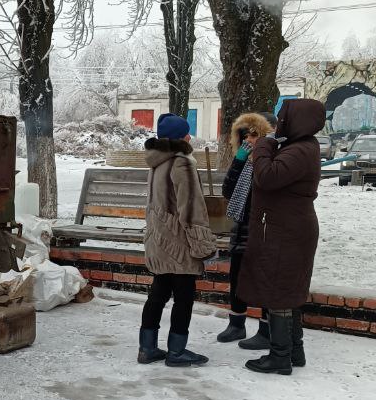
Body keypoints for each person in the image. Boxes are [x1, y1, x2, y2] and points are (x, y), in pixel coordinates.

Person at [237, 98, 327, 375]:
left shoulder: (300, 150)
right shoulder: (301, 147)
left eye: (285, 116)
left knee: (279, 291)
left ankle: (279, 357)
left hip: (286, 230)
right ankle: (293, 352)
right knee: (288, 291)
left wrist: (264, 145)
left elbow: (267, 177)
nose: (281, 121)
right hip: (287, 227)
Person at [137, 113, 216, 367]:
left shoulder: (156, 161)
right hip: (179, 242)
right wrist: (203, 245)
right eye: (186, 133)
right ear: (182, 137)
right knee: (184, 296)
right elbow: (191, 208)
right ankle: (177, 351)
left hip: (158, 238)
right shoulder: (181, 162)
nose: (190, 137)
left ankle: (147, 348)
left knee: (158, 293)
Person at [217, 111, 278, 348]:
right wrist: (239, 160)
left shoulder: (271, 158)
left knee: (263, 278)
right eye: (244, 136)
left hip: (264, 227)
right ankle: (236, 324)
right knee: (238, 276)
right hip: (242, 226)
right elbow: (228, 191)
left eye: (253, 135)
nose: (248, 141)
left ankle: (265, 328)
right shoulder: (243, 158)